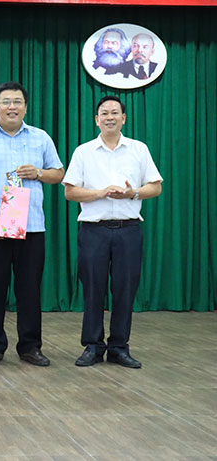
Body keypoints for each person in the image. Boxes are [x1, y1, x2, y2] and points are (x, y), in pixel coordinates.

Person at [0, 81, 64, 367]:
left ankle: (30, 347)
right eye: (6, 102)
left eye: (17, 101)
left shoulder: (40, 138)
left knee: (29, 290)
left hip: (31, 227)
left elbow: (59, 174)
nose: (12, 107)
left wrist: (39, 173)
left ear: (25, 106)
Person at [63, 95, 162, 369]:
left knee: (125, 289)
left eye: (115, 112)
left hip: (129, 230)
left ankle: (119, 347)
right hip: (93, 230)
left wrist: (133, 193)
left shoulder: (139, 149)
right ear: (96, 119)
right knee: (93, 289)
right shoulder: (83, 151)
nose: (110, 117)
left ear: (124, 118)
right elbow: (70, 192)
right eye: (104, 113)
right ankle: (93, 346)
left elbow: (156, 186)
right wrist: (100, 193)